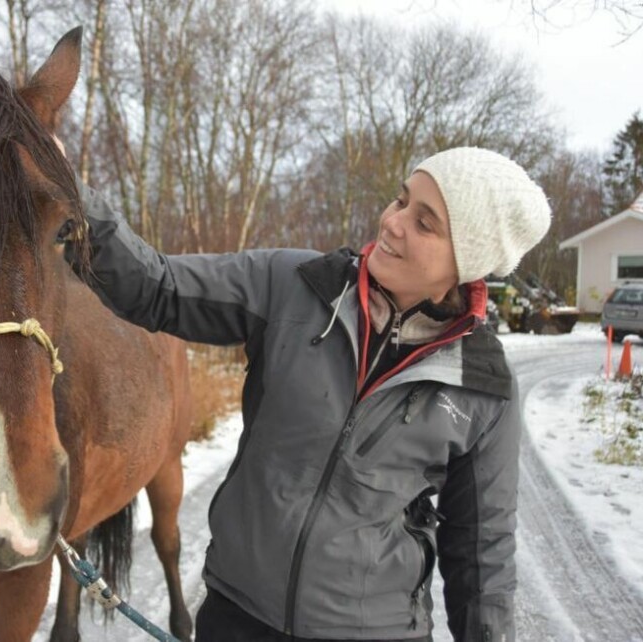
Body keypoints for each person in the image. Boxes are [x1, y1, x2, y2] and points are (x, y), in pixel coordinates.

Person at [60, 146, 550, 642]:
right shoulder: (295, 287)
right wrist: (65, 189)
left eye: (424, 223)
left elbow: (481, 561)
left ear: (466, 263)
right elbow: (158, 287)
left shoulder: (482, 384)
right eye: (401, 201)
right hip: (237, 619)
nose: (394, 223)